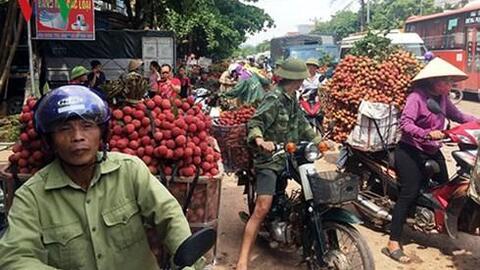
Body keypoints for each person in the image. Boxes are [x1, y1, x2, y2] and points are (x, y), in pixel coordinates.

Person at [0, 86, 196, 270]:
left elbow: (169, 215)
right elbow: (15, 257)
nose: (77, 136)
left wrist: (188, 262)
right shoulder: (31, 197)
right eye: (64, 129)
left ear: (102, 133)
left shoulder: (130, 170)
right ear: (49, 140)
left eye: (87, 126)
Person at [382, 57, 478, 264]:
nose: (450, 85)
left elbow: (460, 116)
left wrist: (477, 122)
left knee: (446, 188)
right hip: (410, 150)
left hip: (433, 150)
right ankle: (392, 243)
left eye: (451, 81)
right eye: (447, 81)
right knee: (409, 192)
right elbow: (405, 124)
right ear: (434, 81)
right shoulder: (416, 97)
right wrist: (426, 134)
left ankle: (447, 222)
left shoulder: (443, 98)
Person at [236, 58, 324, 270]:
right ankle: (242, 261)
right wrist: (260, 140)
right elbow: (255, 122)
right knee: (262, 208)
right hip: (269, 159)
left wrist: (319, 141)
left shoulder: (292, 97)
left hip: (289, 154)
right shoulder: (274, 99)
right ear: (296, 78)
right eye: (303, 77)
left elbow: (302, 124)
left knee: (313, 188)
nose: (304, 80)